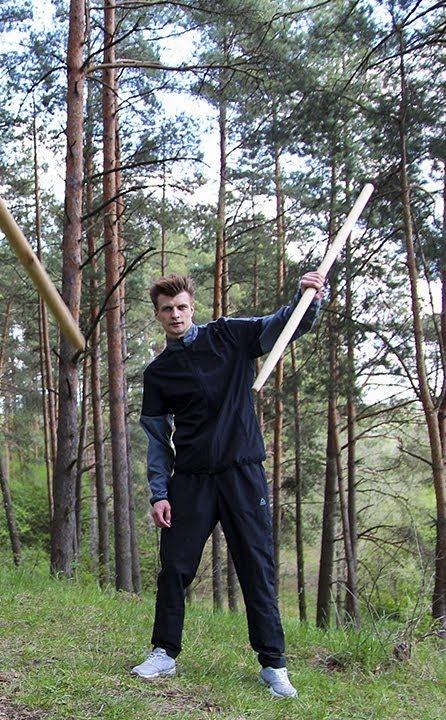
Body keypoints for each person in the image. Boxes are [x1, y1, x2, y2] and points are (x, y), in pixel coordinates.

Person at [130, 271, 326, 699]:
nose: (176, 315)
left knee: (256, 567)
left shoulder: (229, 335)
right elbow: (158, 440)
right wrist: (160, 493)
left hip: (242, 473)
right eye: (167, 309)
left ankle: (273, 665)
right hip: (192, 479)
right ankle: (164, 653)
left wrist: (308, 297)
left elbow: (284, 325)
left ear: (192, 307)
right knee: (175, 568)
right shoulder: (159, 373)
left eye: (182, 307)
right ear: (158, 315)